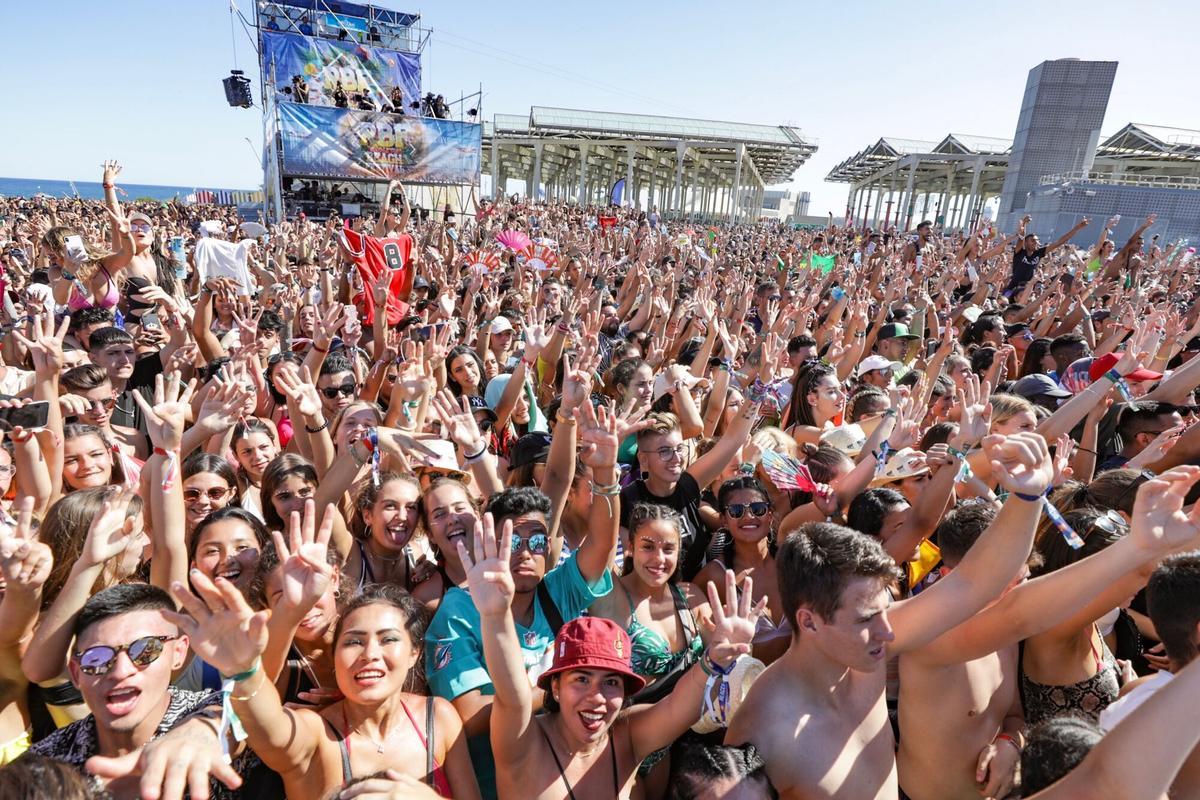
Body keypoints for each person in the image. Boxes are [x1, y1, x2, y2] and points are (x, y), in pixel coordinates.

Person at [726, 432, 1054, 800]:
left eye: (886, 610)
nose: (888, 631)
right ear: (809, 621)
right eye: (867, 618)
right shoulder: (763, 732)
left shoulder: (864, 647)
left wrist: (1029, 497)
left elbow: (975, 583)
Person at [465, 510, 761, 800]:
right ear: (554, 687)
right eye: (581, 679)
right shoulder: (524, 743)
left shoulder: (625, 737)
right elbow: (512, 697)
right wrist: (495, 615)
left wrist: (716, 658)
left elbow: (678, 707)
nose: (597, 697)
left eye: (611, 682)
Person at [1005, 215, 1090, 295]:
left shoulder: (1039, 253)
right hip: (1012, 288)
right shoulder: (1020, 252)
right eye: (1033, 240)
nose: (1036, 242)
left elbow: (1059, 242)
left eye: (1037, 241)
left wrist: (1077, 228)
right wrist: (1024, 224)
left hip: (1027, 290)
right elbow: (1021, 238)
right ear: (1026, 243)